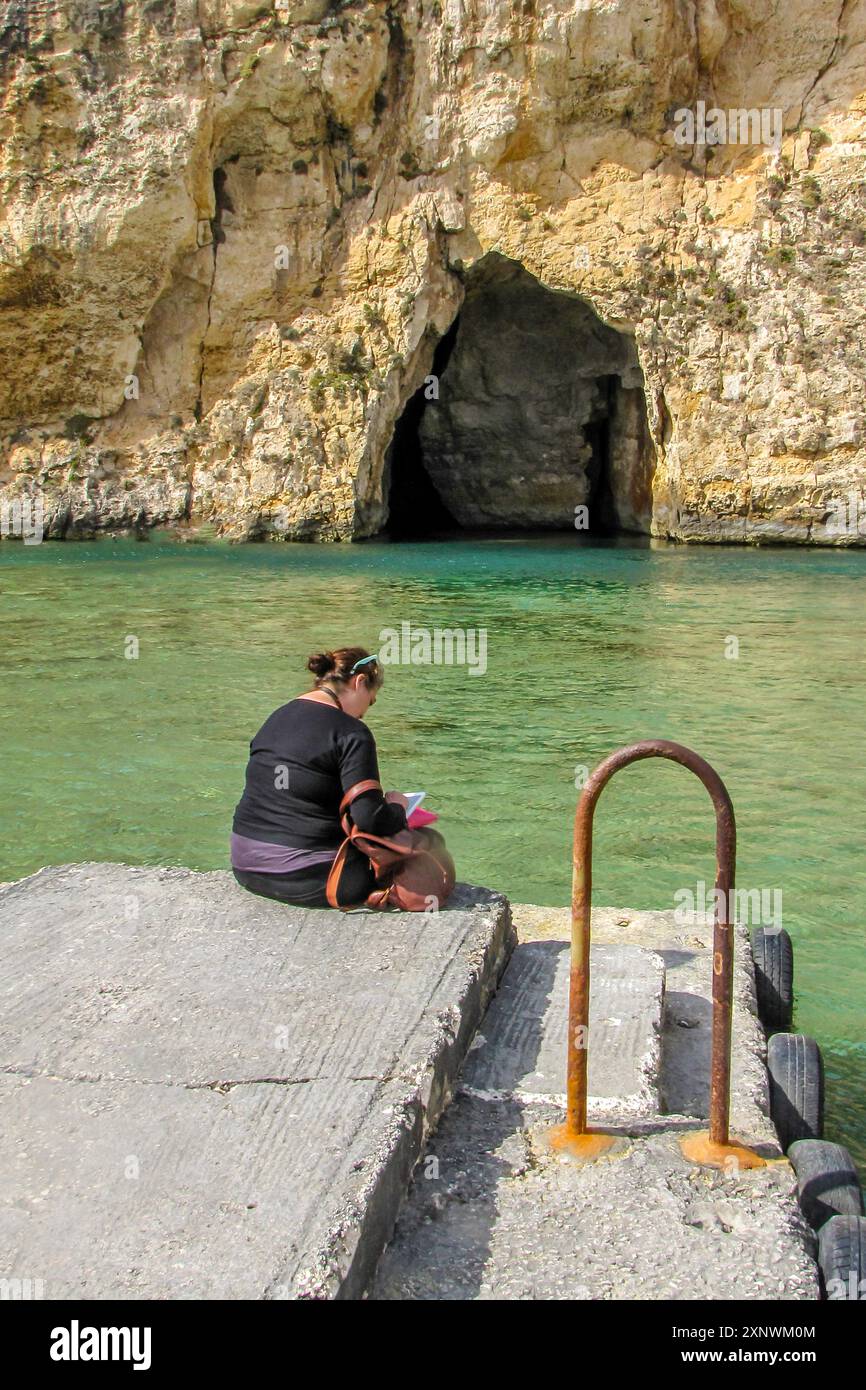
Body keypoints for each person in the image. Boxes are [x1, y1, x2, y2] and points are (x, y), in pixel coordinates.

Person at [231, 647, 408, 907]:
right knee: (415, 846)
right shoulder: (352, 732)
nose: (364, 713)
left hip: (245, 866)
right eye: (370, 701)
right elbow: (370, 818)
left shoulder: (276, 717)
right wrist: (398, 807)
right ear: (359, 682)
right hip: (306, 878)